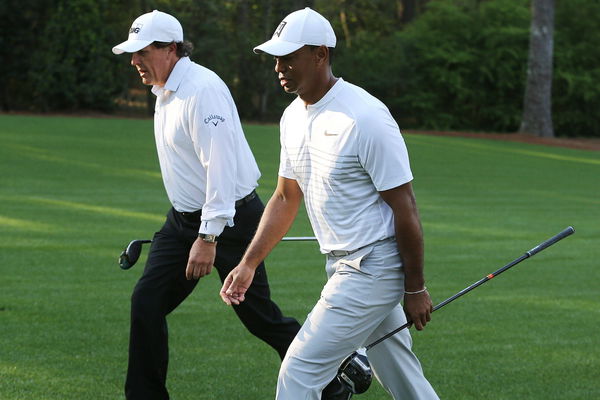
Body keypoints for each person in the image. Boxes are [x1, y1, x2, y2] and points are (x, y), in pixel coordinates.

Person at [220, 7, 440, 400]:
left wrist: (415, 287)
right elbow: (285, 197)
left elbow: (405, 208)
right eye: (276, 59)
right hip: (342, 265)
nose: (278, 67)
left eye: (289, 57)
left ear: (320, 54)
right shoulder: (292, 117)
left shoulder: (365, 117)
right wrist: (249, 263)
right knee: (402, 375)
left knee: (299, 371)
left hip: (371, 269)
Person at [112, 10, 302, 400]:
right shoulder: (165, 90)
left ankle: (335, 373)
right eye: (133, 53)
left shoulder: (202, 90)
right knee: (146, 303)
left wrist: (208, 236)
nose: (134, 61)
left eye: (142, 52)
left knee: (258, 317)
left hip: (229, 220)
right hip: (182, 222)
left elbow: (221, 166)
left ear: (170, 49)